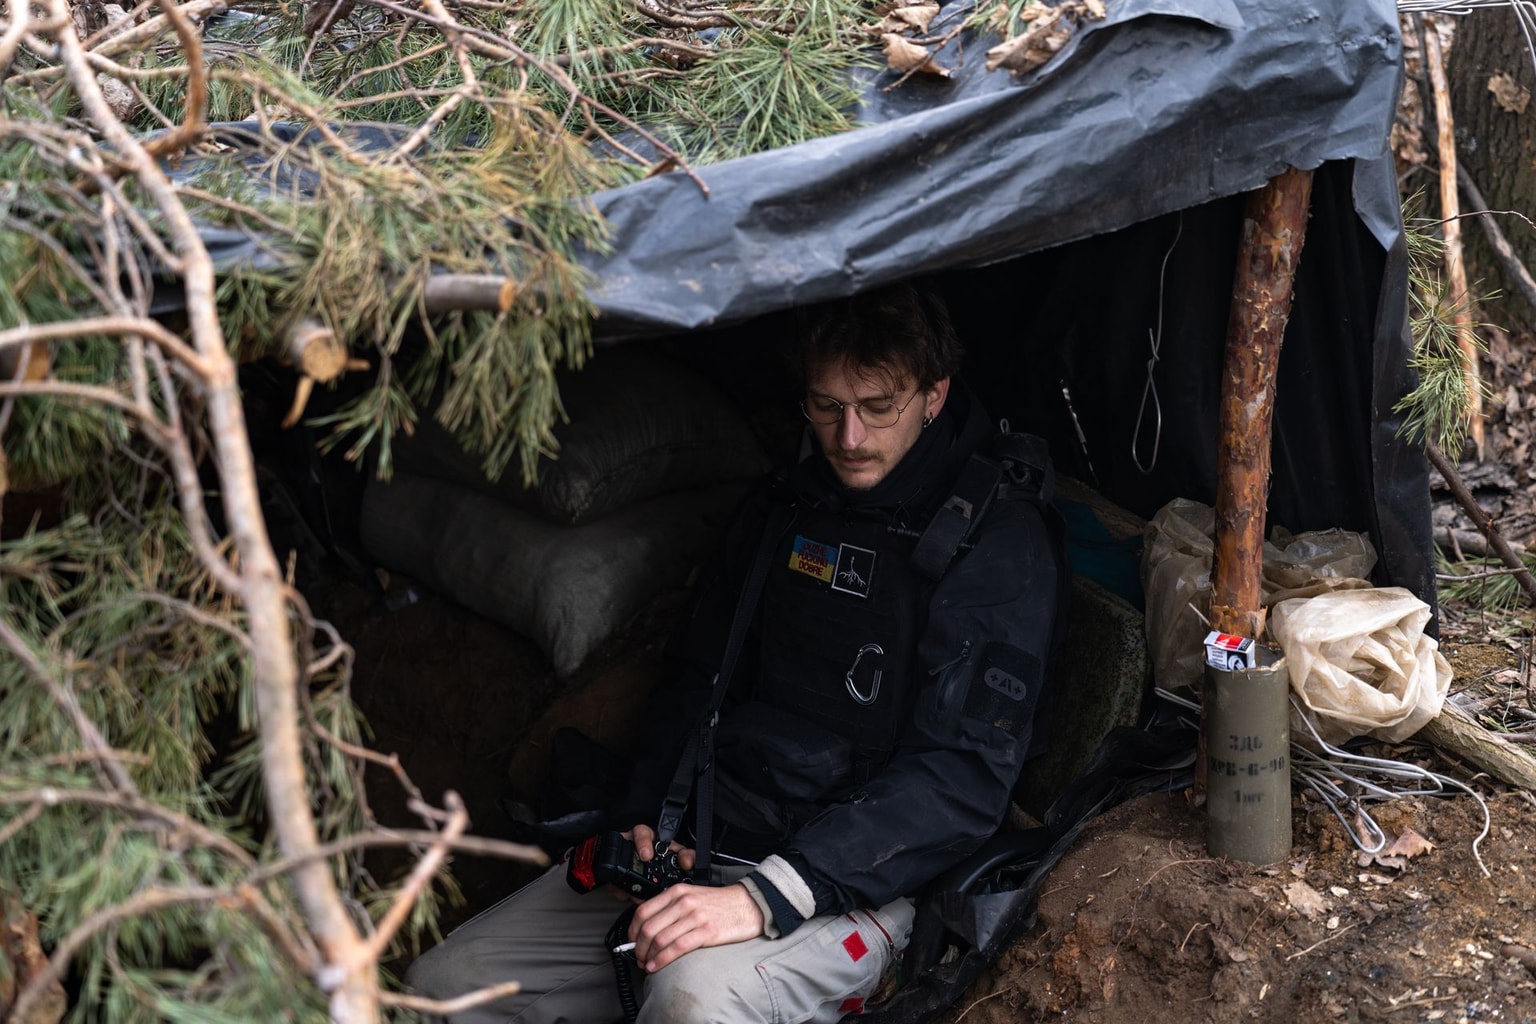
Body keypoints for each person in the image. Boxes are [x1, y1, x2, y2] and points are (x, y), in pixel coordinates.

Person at [405, 282, 1067, 1023]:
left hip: (867, 882)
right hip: (712, 839)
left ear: (935, 394)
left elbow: (961, 775)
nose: (849, 438)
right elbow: (695, 680)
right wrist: (645, 818)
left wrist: (769, 895)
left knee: (693, 1000)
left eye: (878, 407)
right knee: (443, 983)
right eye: (826, 407)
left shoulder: (996, 545)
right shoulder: (788, 504)